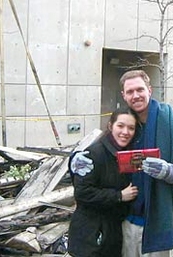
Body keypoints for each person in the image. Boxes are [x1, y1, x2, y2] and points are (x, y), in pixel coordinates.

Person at [71, 69, 173, 256]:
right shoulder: (126, 127)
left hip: (159, 223)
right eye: (130, 92)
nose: (135, 95)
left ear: (149, 90)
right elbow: (101, 154)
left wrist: (170, 172)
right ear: (123, 96)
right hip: (124, 222)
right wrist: (76, 159)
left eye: (140, 90)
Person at [67, 107, 139, 257]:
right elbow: (82, 193)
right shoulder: (93, 154)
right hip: (90, 237)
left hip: (111, 234)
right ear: (110, 125)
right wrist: (119, 196)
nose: (125, 132)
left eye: (131, 128)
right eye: (120, 126)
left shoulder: (128, 155)